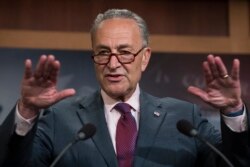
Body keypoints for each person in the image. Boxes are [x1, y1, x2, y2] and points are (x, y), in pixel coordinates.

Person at [3, 9, 249, 167]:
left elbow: (234, 164)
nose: (112, 63)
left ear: (145, 57)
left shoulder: (186, 118)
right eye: (102, 52)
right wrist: (26, 111)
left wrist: (233, 112)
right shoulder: (59, 118)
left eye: (124, 52)